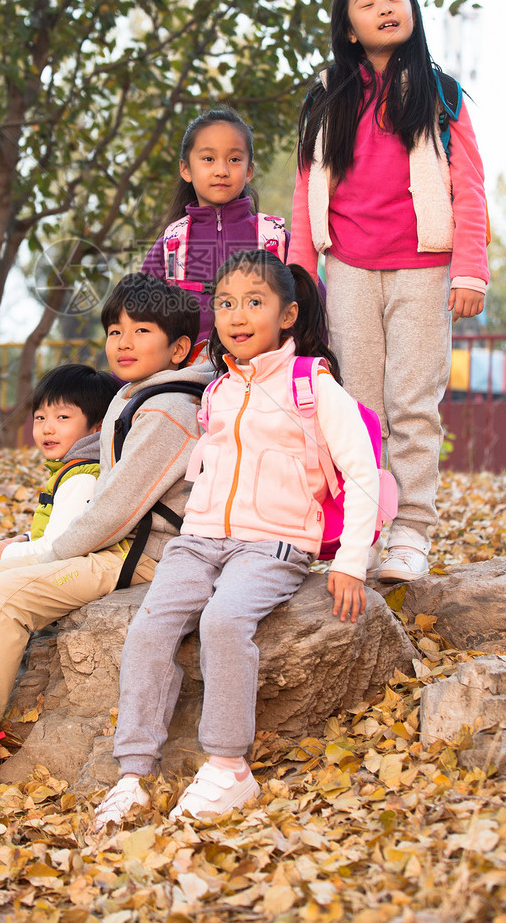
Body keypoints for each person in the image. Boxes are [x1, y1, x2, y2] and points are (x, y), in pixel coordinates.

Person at [0, 273, 211, 782]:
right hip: (116, 546)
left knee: (9, 594)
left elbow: (114, 511)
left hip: (143, 557)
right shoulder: (134, 395)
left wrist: (45, 555)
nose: (123, 342)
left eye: (142, 331)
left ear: (180, 347)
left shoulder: (169, 410)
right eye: (115, 330)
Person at [93, 250, 379, 827]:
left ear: (288, 314)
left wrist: (352, 561)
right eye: (225, 303)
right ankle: (132, 775)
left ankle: (228, 769)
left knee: (224, 622)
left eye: (254, 302)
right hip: (198, 541)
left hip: (272, 545)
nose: (237, 315)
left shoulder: (312, 385)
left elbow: (363, 470)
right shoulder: (219, 388)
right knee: (150, 627)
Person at [288, 0, 489, 584]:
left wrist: (469, 272)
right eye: (366, 3)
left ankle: (411, 532)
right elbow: (305, 189)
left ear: (411, 12)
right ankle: (366, 527)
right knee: (357, 407)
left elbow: (470, 187)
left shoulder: (439, 92)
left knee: (413, 403)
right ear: (348, 29)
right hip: (347, 268)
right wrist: (300, 275)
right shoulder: (326, 96)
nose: (383, 8)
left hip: (424, 271)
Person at [142, 107, 289, 344]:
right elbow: (140, 319)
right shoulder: (171, 244)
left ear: (249, 170)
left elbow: (312, 306)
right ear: (185, 169)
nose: (222, 171)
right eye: (208, 159)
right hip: (186, 371)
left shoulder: (275, 239)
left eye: (234, 159)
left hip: (263, 368)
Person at [0, 363, 119, 565]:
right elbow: (63, 528)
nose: (47, 428)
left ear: (98, 427)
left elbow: (56, 546)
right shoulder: (73, 470)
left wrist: (8, 553)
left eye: (62, 417)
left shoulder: (82, 477)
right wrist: (26, 539)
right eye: (40, 417)